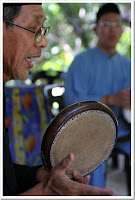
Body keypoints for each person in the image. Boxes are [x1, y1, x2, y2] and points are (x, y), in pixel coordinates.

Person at [3, 3, 114, 196]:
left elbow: (6, 179)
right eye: (32, 29)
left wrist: (44, 176)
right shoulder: (81, 62)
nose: (43, 42)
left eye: (41, 30)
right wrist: (44, 191)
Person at [64, 3, 131, 188]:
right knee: (90, 166)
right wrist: (109, 99)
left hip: (124, 130)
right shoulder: (81, 62)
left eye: (117, 24)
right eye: (107, 24)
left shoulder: (128, 64)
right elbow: (71, 103)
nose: (113, 30)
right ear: (95, 29)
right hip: (91, 131)